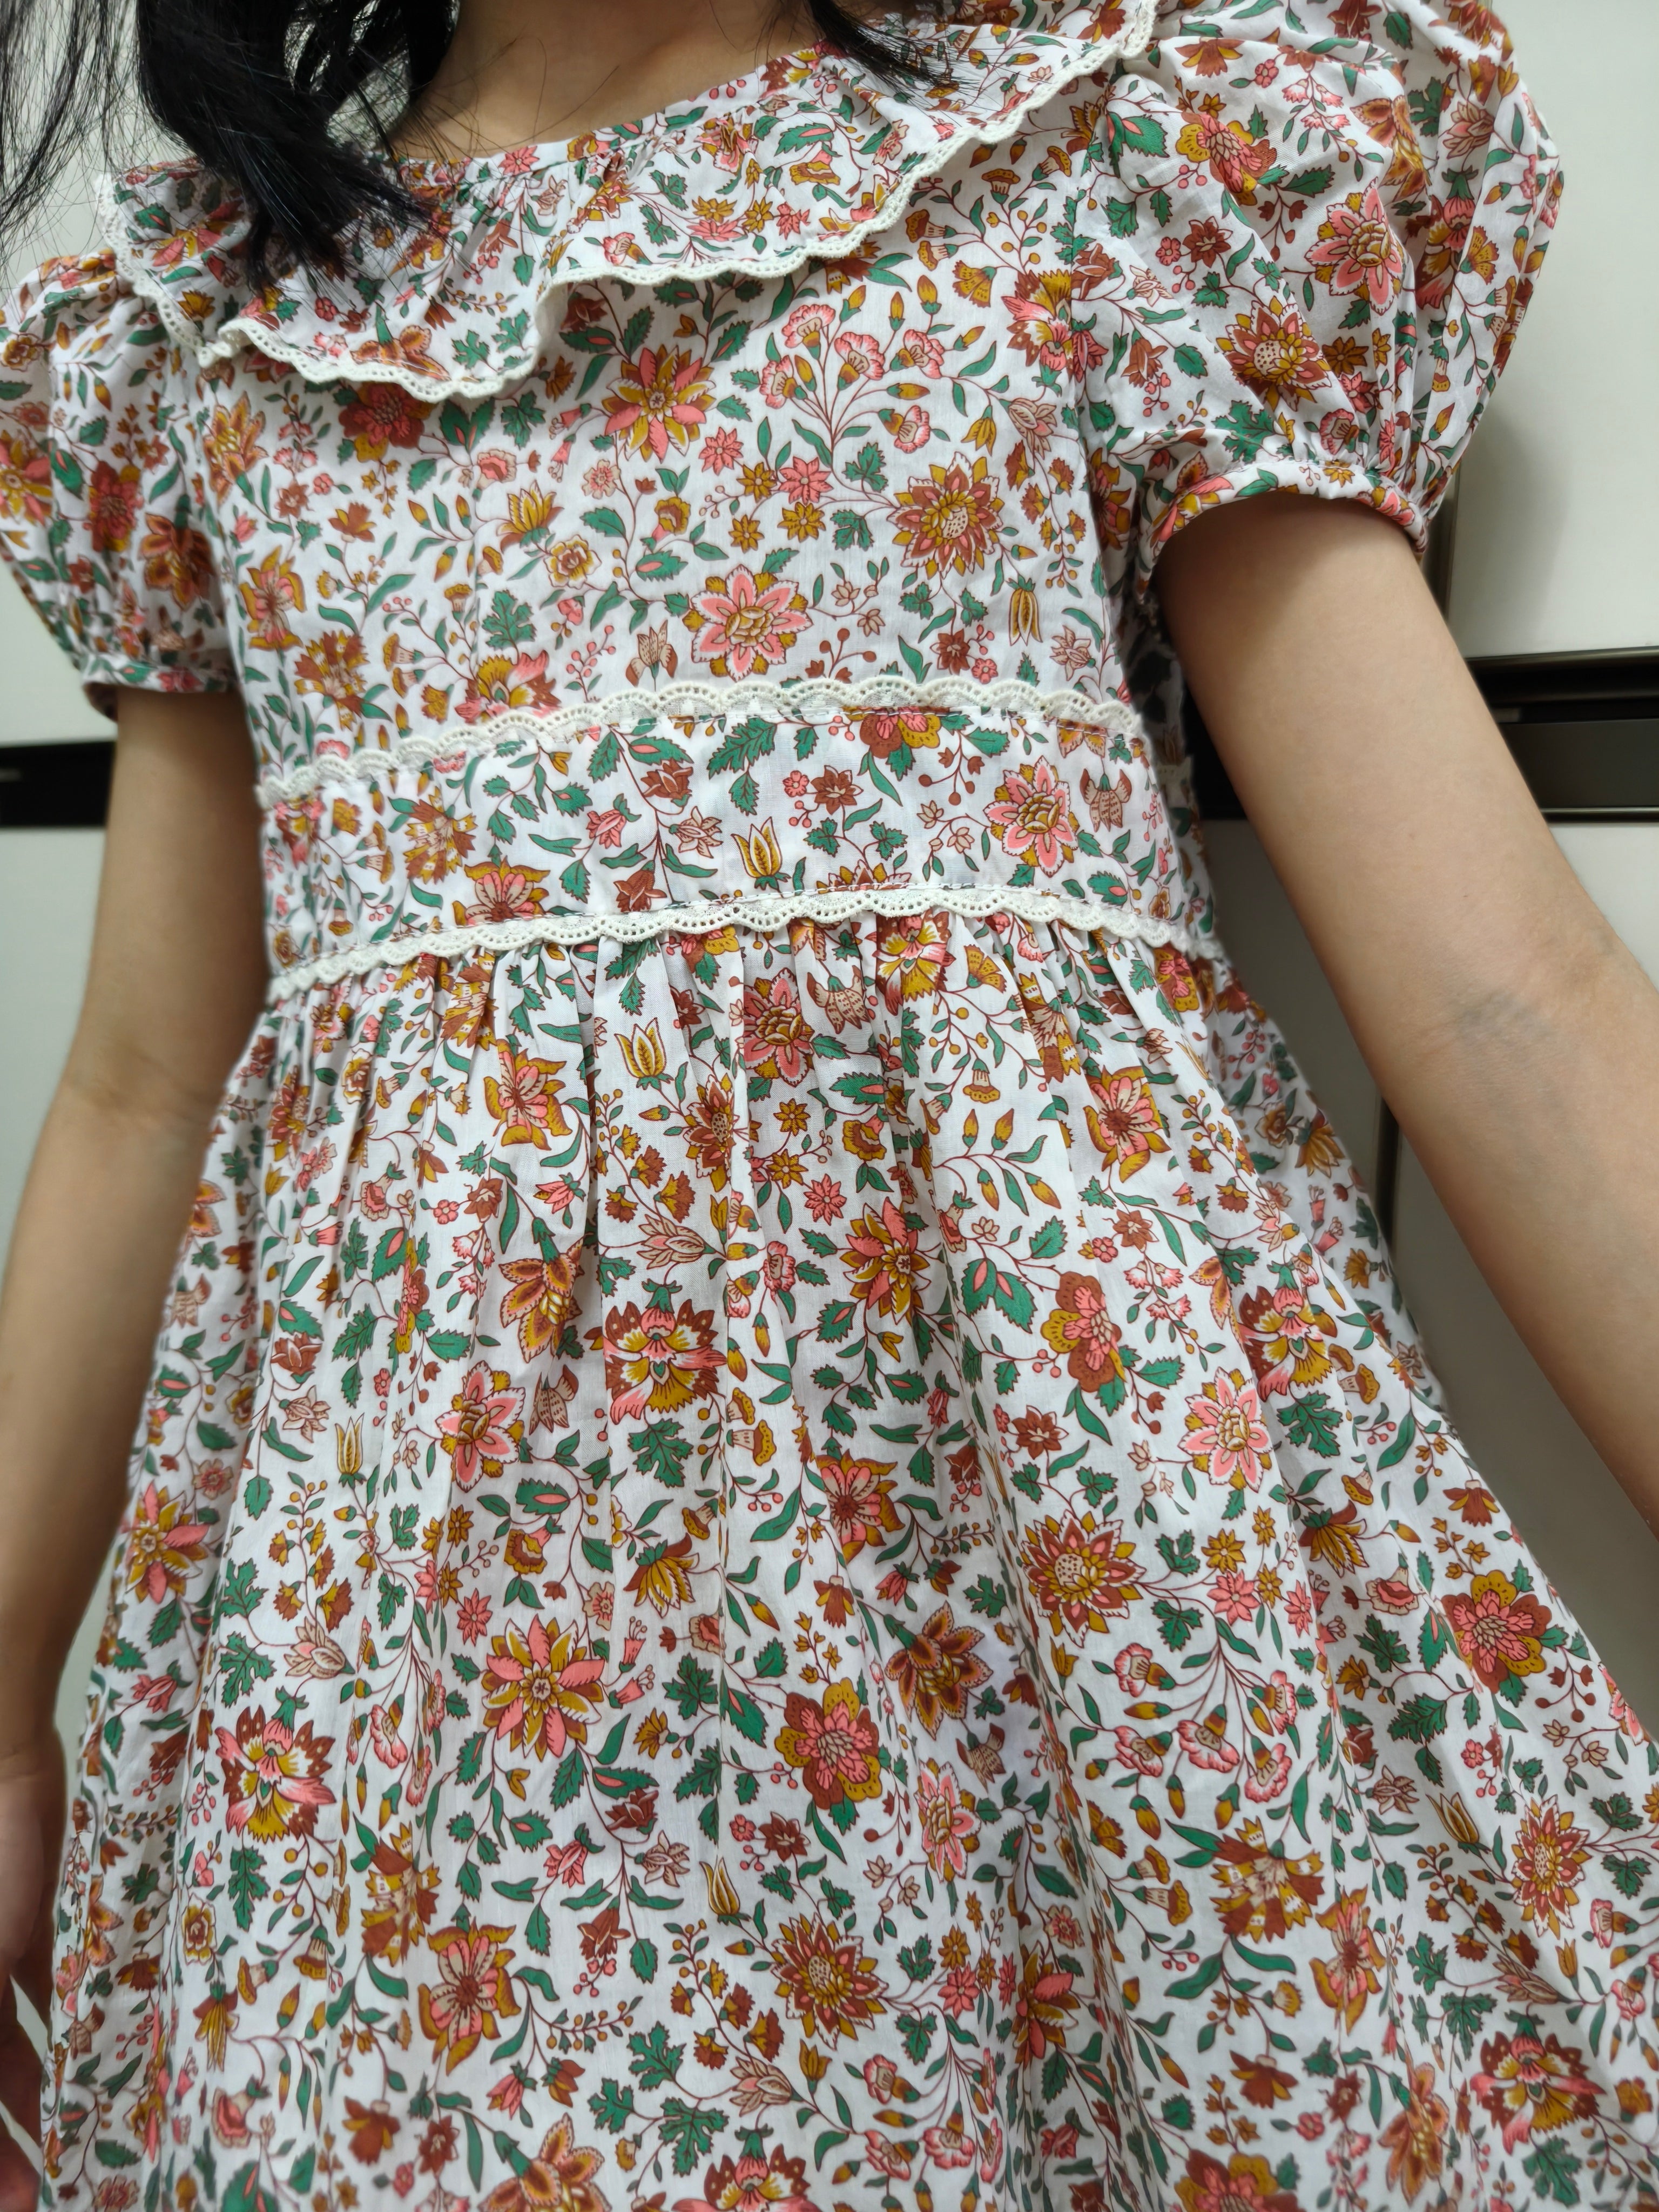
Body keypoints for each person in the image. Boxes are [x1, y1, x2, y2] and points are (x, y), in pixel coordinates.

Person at [2, 0, 1657, 2202]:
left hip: (1075, 1660)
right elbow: (141, 1089)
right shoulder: (226, 325)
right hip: (415, 1751)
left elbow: (1502, 1000)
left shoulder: (1090, 160)